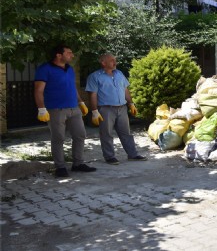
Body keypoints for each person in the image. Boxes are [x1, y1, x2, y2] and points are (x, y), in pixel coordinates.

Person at [34, 45, 97, 178]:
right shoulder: (45, 69)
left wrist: (80, 102)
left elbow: (72, 87)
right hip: (56, 109)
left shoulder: (70, 69)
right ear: (58, 55)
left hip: (74, 108)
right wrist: (41, 109)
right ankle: (60, 167)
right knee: (58, 138)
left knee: (80, 135)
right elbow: (38, 91)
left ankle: (78, 164)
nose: (72, 55)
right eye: (69, 53)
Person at [85, 53, 147, 165]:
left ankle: (133, 154)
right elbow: (92, 95)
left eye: (115, 60)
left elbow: (125, 90)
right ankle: (109, 157)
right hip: (105, 109)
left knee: (126, 133)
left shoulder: (119, 74)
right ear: (103, 63)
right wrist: (94, 111)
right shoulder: (95, 77)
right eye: (112, 60)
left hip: (122, 108)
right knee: (106, 134)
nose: (115, 63)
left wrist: (131, 103)